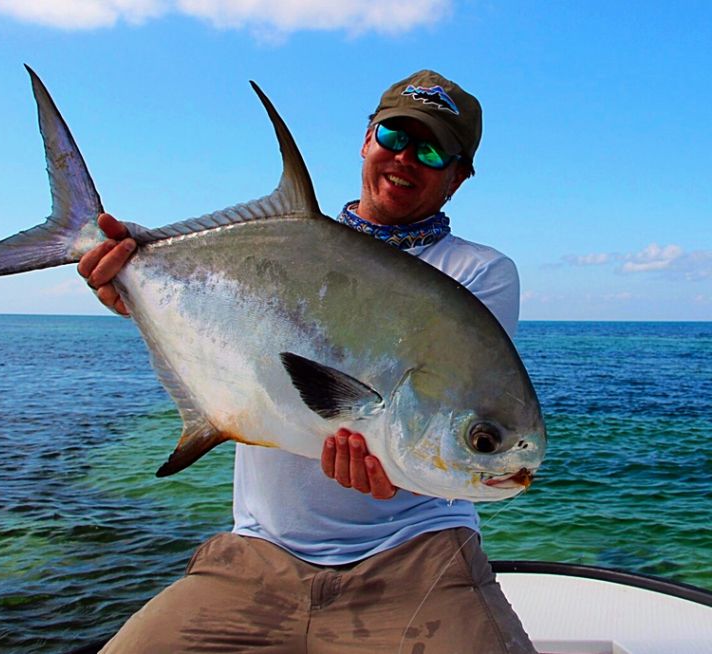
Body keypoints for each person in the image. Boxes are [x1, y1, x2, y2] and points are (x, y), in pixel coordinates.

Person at [79, 70, 536, 653]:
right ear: (367, 138)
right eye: (395, 136)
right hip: (257, 553)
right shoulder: (283, 244)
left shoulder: (477, 275)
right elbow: (232, 331)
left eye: (431, 150)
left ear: (458, 176)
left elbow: (443, 414)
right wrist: (137, 292)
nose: (405, 158)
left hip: (417, 553)